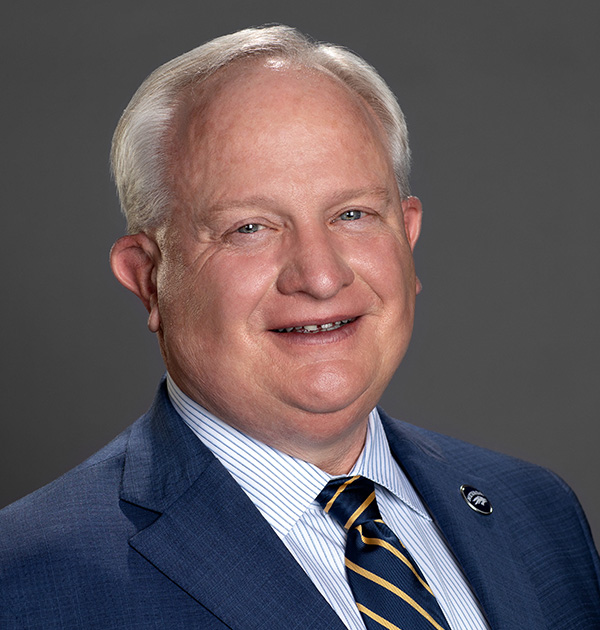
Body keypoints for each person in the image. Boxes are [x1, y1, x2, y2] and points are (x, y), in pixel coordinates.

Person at [1, 24, 598, 630]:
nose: (319, 276)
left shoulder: (539, 513)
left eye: (353, 214)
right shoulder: (26, 581)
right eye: (250, 228)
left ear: (407, 239)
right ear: (149, 277)